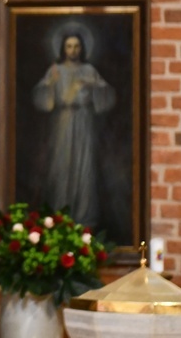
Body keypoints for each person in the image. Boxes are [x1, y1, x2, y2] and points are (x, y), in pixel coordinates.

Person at [32, 32, 116, 228]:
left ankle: (84, 217)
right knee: (62, 167)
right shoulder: (56, 70)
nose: (73, 50)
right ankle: (61, 215)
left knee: (84, 167)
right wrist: (50, 84)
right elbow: (41, 98)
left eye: (76, 46)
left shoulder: (89, 70)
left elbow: (107, 95)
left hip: (84, 122)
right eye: (69, 46)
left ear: (82, 48)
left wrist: (94, 87)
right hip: (63, 121)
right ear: (62, 48)